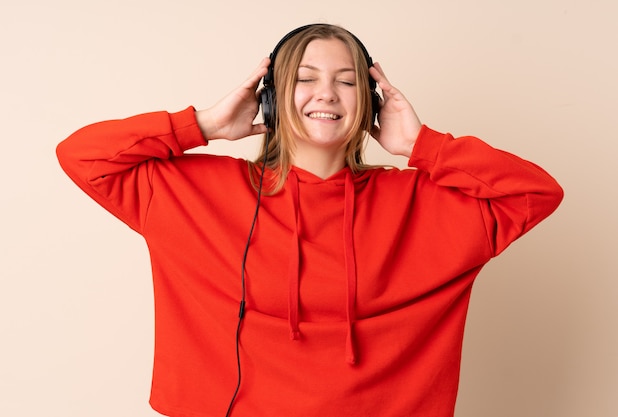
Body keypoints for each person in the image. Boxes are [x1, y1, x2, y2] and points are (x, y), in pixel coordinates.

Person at [57, 23, 563, 417]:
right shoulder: (194, 193)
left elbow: (535, 193)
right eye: (304, 80)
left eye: (346, 82)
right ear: (270, 98)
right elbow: (82, 156)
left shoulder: (424, 203)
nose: (326, 94)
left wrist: (421, 146)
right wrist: (204, 124)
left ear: (370, 104)